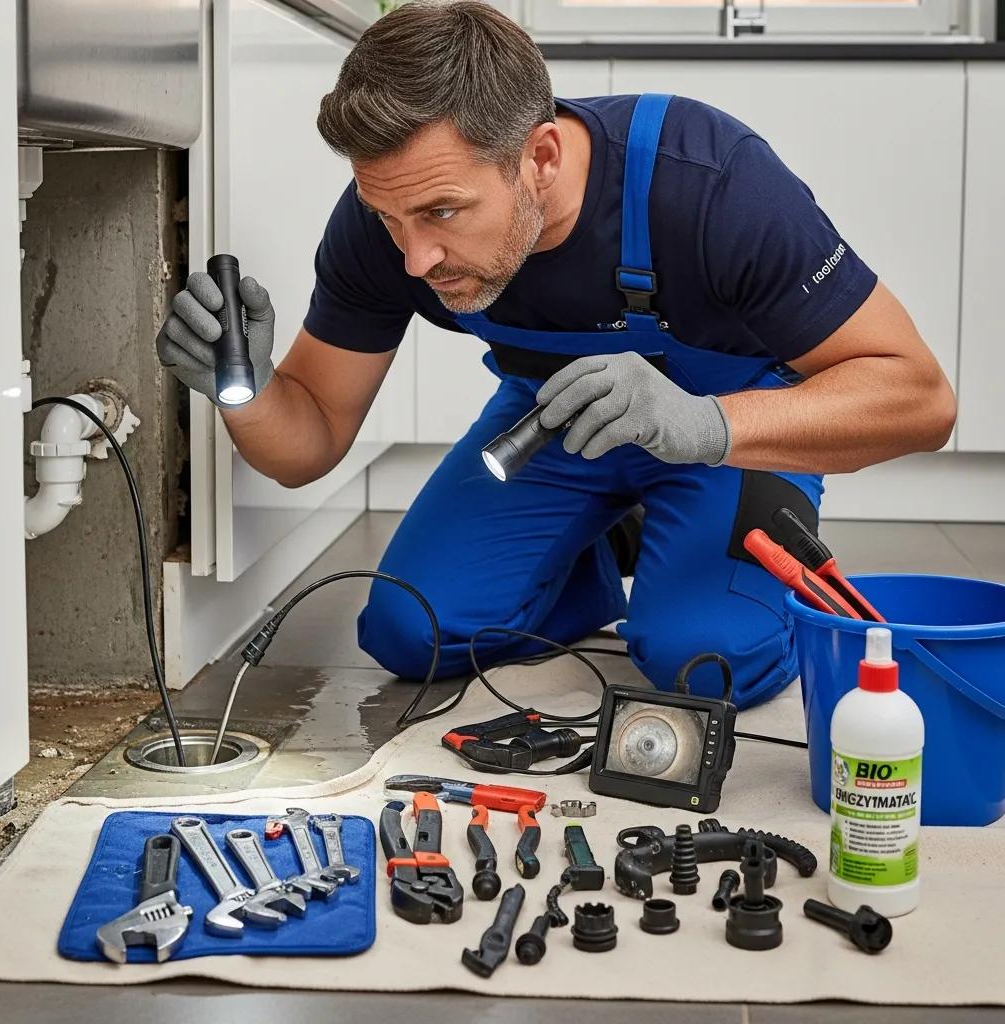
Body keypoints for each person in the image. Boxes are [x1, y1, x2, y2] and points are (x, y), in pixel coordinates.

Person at [155, 1, 955, 707]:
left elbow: (921, 400)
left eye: (443, 212)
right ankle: (606, 543)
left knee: (705, 661)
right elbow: (311, 440)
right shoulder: (388, 217)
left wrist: (705, 424)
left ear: (539, 157)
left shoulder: (708, 182)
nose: (415, 259)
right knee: (410, 633)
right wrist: (245, 391)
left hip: (733, 435)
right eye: (391, 218)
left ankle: (680, 547)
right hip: (554, 427)